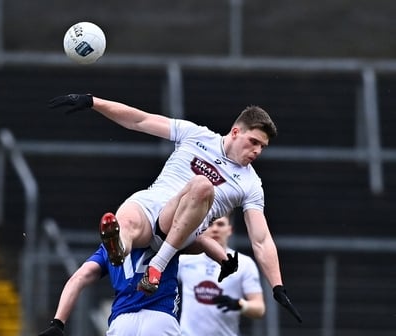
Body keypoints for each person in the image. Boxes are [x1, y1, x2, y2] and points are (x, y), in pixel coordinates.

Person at [48, 94, 301, 323]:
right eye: (253, 141)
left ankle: (158, 263)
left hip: (178, 228)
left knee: (202, 185)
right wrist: (93, 102)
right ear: (235, 132)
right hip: (152, 207)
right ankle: (120, 248)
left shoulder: (250, 184)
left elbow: (261, 239)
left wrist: (277, 286)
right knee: (124, 218)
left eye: (262, 147)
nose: (257, 150)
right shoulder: (196, 134)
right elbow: (139, 120)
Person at [35, 213, 236, 336]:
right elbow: (203, 240)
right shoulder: (168, 238)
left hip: (122, 323)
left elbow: (78, 278)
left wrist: (58, 324)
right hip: (161, 320)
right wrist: (224, 259)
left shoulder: (108, 248)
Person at [178, 215, 265, 336]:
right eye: (210, 224)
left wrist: (240, 304)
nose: (215, 229)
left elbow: (259, 308)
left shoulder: (244, 264)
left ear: (230, 230)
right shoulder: (184, 260)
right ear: (202, 228)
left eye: (220, 224)